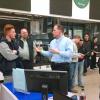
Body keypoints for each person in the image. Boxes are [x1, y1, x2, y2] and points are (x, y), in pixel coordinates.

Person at [35, 24, 73, 92]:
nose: (52, 32)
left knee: (63, 88)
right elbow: (50, 54)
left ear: (60, 31)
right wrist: (41, 51)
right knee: (54, 87)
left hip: (63, 66)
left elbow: (69, 54)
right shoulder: (52, 42)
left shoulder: (68, 41)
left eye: (54, 30)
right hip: (53, 66)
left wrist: (58, 52)